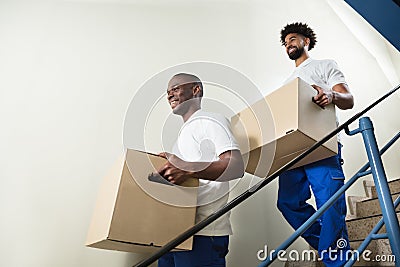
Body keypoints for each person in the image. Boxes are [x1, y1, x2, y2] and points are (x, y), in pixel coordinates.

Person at [277, 22, 354, 266]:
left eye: (293, 38)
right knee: (288, 203)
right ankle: (327, 245)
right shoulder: (287, 83)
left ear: (306, 41)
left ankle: (336, 260)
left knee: (329, 202)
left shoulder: (324, 66)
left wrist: (332, 95)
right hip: (293, 151)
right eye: (286, 41)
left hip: (323, 144)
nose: (289, 43)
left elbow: (348, 99)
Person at [157, 73, 244, 267]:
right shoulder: (182, 136)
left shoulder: (210, 120)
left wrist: (187, 170)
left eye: (176, 88)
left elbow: (235, 165)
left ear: (196, 89)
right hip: (176, 232)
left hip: (203, 233)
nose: (170, 95)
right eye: (168, 92)